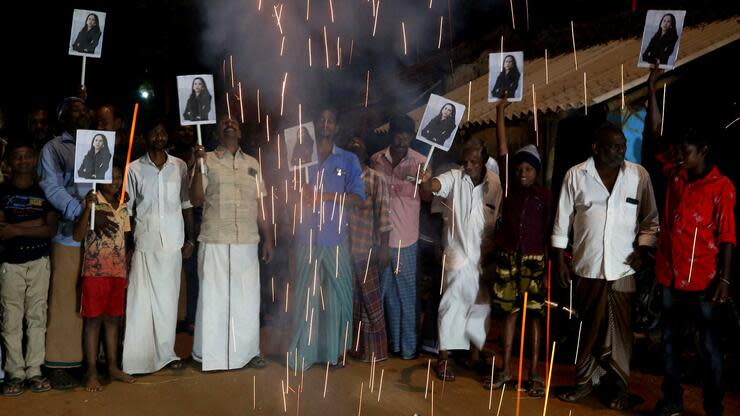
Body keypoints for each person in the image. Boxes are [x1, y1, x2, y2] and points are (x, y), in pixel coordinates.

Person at [645, 68, 735, 416]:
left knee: (708, 346)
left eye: (688, 151)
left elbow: (728, 236)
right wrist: (653, 89)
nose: (681, 156)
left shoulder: (721, 188)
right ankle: (673, 400)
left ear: (704, 151)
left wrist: (724, 280)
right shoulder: (675, 172)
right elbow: (654, 136)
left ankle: (713, 406)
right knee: (669, 343)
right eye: (679, 150)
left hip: (704, 281)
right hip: (670, 275)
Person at [552, 123, 659, 410]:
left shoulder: (638, 175)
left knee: (621, 332)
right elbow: (562, 221)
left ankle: (619, 388)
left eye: (622, 146)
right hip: (587, 267)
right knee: (588, 328)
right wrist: (560, 259)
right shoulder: (576, 175)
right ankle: (585, 383)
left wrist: (643, 249)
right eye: (612, 146)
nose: (619, 151)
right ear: (596, 148)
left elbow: (650, 221)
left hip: (624, 269)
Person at [38, 97, 117, 390]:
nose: (82, 115)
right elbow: (52, 187)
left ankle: (90, 362)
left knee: (94, 299)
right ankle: (60, 362)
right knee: (65, 299)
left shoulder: (99, 142)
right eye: (75, 111)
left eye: (85, 110)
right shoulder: (54, 148)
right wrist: (81, 213)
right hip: (69, 233)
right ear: (62, 118)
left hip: (99, 235)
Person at [189, 118, 273, 370]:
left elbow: (262, 204)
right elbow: (195, 199)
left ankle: (247, 353)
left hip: (247, 240)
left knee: (246, 299)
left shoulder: (252, 164)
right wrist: (198, 163)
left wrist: (268, 238)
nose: (230, 125)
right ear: (217, 132)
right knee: (214, 298)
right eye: (224, 123)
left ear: (240, 131)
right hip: (215, 237)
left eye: (234, 123)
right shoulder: (209, 160)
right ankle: (209, 355)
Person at [288, 108, 365, 370]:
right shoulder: (301, 156)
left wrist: (326, 197)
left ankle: (335, 351)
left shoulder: (348, 160)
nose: (325, 124)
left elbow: (357, 199)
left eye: (330, 120)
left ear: (336, 127)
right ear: (314, 125)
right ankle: (304, 353)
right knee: (305, 297)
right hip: (306, 237)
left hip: (335, 238)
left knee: (337, 296)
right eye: (321, 120)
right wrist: (300, 184)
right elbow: (288, 193)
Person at [421, 138, 502, 381]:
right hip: (456, 255)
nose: (467, 166)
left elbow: (497, 218)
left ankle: (474, 356)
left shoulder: (495, 184)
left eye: (473, 162)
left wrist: (493, 246)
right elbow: (434, 186)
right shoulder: (454, 177)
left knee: (480, 308)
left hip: (482, 257)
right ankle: (443, 359)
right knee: (450, 305)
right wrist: (427, 181)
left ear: (484, 161)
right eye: (464, 161)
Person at [486, 98, 552, 396]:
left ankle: (535, 373)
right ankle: (506, 369)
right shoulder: (510, 188)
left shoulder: (545, 196)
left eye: (529, 169)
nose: (523, 172)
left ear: (537, 172)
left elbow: (552, 231)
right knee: (509, 313)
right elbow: (502, 150)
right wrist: (500, 111)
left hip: (535, 261)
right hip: (508, 256)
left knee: (535, 316)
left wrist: (551, 264)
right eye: (520, 168)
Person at [122, 121, 194, 374]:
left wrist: (190, 239)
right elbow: (128, 213)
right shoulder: (133, 169)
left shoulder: (180, 166)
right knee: (140, 302)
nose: (159, 136)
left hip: (172, 243)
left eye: (163, 131)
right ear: (145, 137)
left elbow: (186, 205)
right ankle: (137, 359)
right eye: (154, 132)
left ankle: (167, 354)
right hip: (144, 242)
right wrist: (127, 246)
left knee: (168, 300)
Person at [0, 141, 57, 396]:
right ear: (9, 163)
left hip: (39, 262)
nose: (22, 161)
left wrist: (17, 228)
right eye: (17, 157)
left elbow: (51, 228)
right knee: (11, 320)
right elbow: (2, 231)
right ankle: (15, 373)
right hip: (10, 264)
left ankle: (34, 370)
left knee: (37, 318)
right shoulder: (2, 191)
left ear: (35, 160)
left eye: (27, 156)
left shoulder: (44, 191)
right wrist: (35, 223)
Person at [370, 114, 429, 360]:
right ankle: (392, 345)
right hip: (382, 240)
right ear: (391, 134)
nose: (402, 137)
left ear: (412, 136)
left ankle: (408, 349)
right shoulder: (376, 160)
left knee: (406, 297)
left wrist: (425, 182)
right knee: (385, 297)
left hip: (407, 241)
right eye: (398, 132)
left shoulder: (421, 163)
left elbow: (427, 199)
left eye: (407, 133)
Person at [73, 163, 135, 392]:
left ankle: (112, 366)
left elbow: (126, 236)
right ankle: (90, 371)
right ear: (100, 179)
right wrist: (89, 209)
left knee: (113, 320)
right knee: (93, 322)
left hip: (118, 272)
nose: (117, 181)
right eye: (112, 177)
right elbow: (77, 234)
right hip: (95, 273)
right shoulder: (91, 200)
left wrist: (127, 263)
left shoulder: (123, 203)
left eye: (119, 177)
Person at [346, 136, 392, 362]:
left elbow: (384, 214)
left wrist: (384, 248)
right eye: (351, 149)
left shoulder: (376, 179)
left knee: (371, 302)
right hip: (346, 249)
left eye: (359, 148)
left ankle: (376, 352)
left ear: (365, 155)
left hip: (367, 248)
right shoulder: (343, 178)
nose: (355, 152)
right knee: (353, 300)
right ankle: (356, 348)